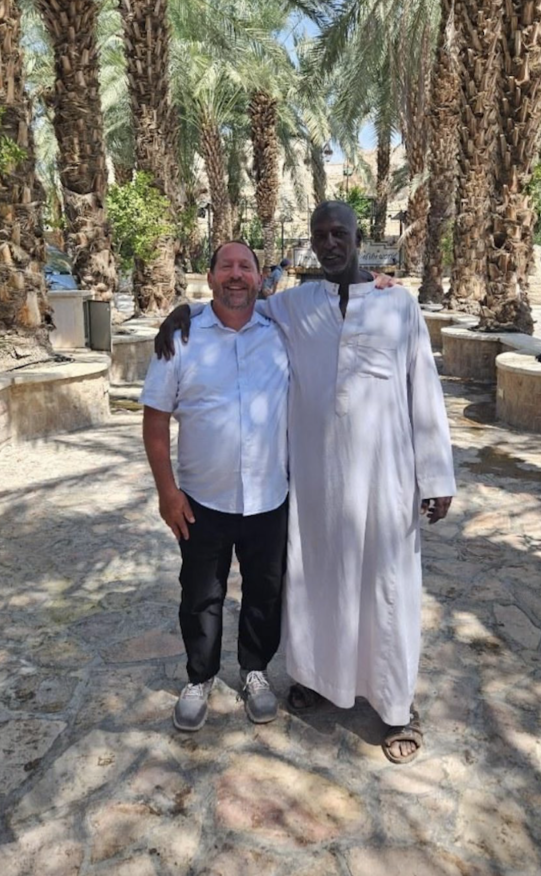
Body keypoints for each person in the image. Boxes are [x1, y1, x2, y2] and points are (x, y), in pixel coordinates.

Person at [156, 203, 455, 762]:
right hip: (318, 483)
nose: (329, 243)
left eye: (339, 232)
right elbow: (236, 302)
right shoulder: (295, 305)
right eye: (319, 235)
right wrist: (184, 311)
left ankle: (395, 708)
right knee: (317, 581)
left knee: (387, 590)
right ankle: (320, 679)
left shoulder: (398, 305)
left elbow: (425, 392)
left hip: (386, 483)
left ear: (359, 236)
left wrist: (436, 476)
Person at [141, 241, 289, 732]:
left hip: (269, 496)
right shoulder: (181, 338)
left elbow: (335, 311)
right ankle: (200, 677)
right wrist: (167, 492)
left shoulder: (281, 332)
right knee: (200, 592)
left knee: (265, 591)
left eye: (244, 266)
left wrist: (379, 286)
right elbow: (156, 419)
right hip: (203, 499)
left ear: (260, 278)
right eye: (225, 266)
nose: (235, 275)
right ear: (209, 278)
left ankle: (254, 672)